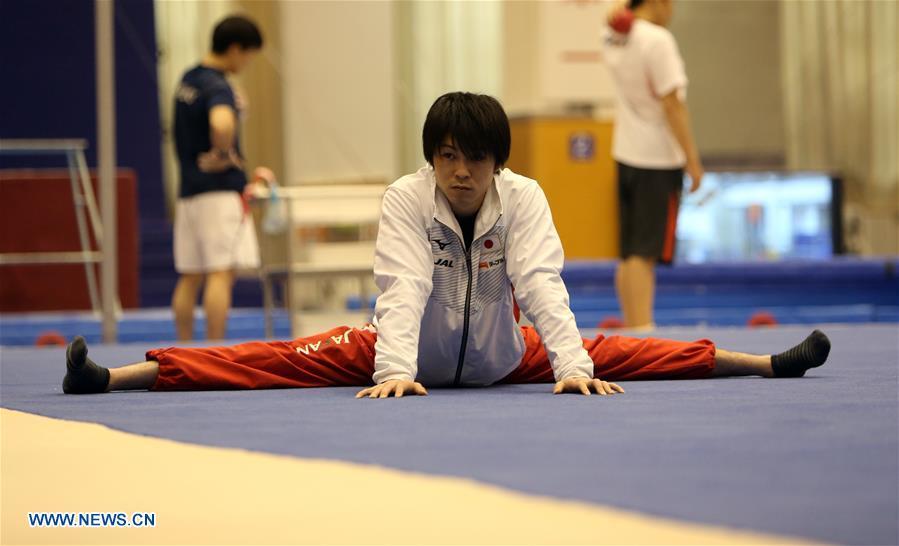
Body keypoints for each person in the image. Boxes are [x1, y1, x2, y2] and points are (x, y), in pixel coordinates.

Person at [62, 93, 831, 398]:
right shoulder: (406, 198)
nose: (459, 173)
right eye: (446, 156)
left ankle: (766, 362)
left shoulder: (523, 198)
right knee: (265, 359)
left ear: (497, 161)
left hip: (505, 352)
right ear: (432, 157)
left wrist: (568, 366)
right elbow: (403, 287)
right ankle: (112, 378)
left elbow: (541, 283)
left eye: (474, 158)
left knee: (619, 350)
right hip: (392, 351)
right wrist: (394, 368)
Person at [601, 0, 703, 330]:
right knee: (645, 253)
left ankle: (635, 325)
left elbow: (613, 17)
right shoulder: (658, 40)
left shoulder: (613, 34)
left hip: (626, 153)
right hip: (658, 158)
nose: (672, 10)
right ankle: (644, 330)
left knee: (630, 252)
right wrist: (692, 158)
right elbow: (672, 102)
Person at [171, 15, 269, 341]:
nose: (247, 64)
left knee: (190, 276)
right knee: (220, 274)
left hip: (189, 192)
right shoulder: (217, 85)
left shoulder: (188, 79)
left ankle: (182, 349)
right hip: (218, 193)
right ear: (236, 49)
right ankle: (215, 349)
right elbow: (222, 124)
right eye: (248, 56)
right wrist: (224, 153)